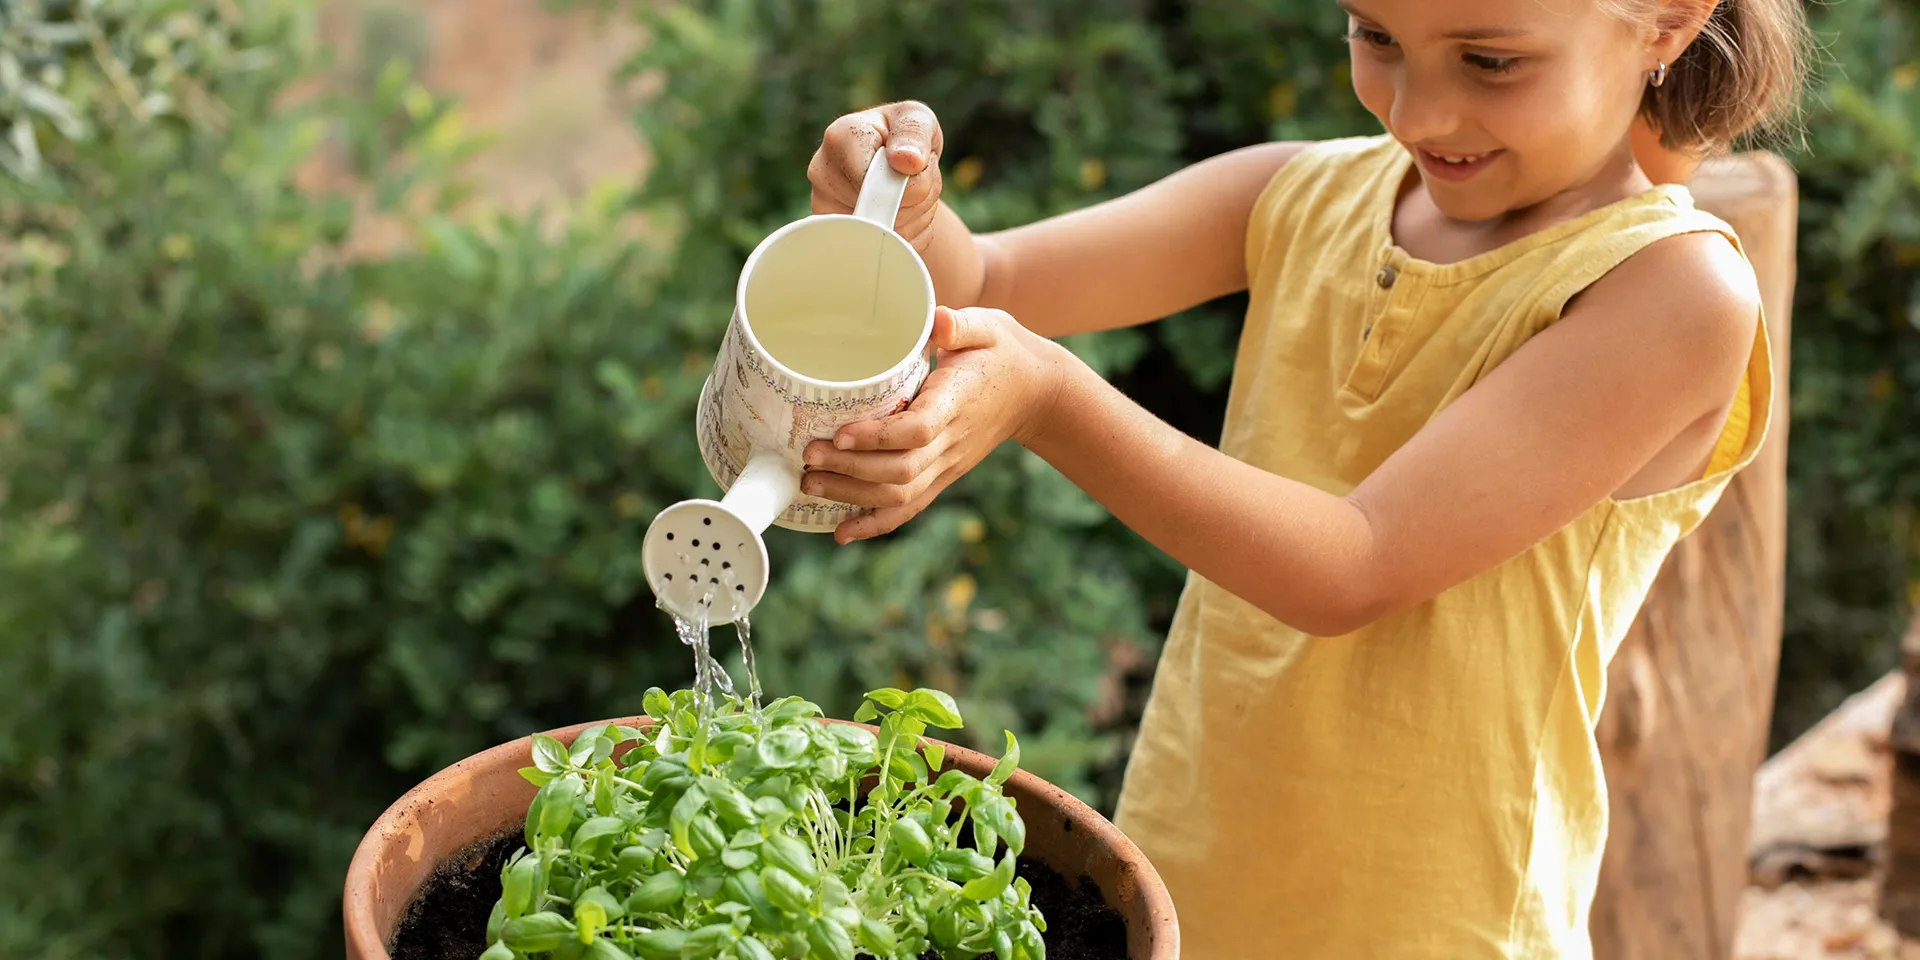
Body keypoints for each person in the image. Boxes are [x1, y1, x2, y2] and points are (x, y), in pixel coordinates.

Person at [799, 0, 1808, 955]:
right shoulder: (1298, 194)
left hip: (1435, 927)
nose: (1416, 112)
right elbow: (988, 283)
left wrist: (1047, 400)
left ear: (1669, 19)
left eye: (1491, 60)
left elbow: (1352, 566)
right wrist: (901, 211)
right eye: (1375, 34)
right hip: (1182, 876)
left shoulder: (1670, 293)